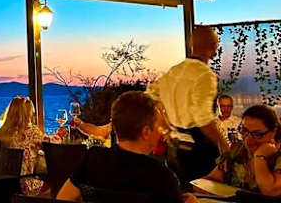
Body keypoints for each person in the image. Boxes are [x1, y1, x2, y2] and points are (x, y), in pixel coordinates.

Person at [56, 91, 197, 203]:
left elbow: (62, 198)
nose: (160, 133)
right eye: (157, 127)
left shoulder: (92, 159)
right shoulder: (162, 177)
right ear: (146, 132)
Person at [147, 25, 230, 183]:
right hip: (200, 152)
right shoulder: (204, 75)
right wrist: (225, 146)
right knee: (205, 191)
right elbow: (203, 120)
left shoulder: (174, 71)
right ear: (213, 46)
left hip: (176, 148)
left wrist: (166, 127)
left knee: (181, 190)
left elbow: (150, 98)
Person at [198, 104, 281, 196]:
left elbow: (271, 191)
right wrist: (201, 186)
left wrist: (260, 157)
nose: (248, 139)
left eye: (257, 134)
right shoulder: (238, 149)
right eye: (244, 130)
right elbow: (212, 179)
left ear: (273, 132)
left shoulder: (278, 155)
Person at [0, 96, 44, 194]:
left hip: (5, 185)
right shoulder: (33, 132)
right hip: (26, 184)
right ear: (28, 114)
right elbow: (46, 148)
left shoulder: (2, 131)